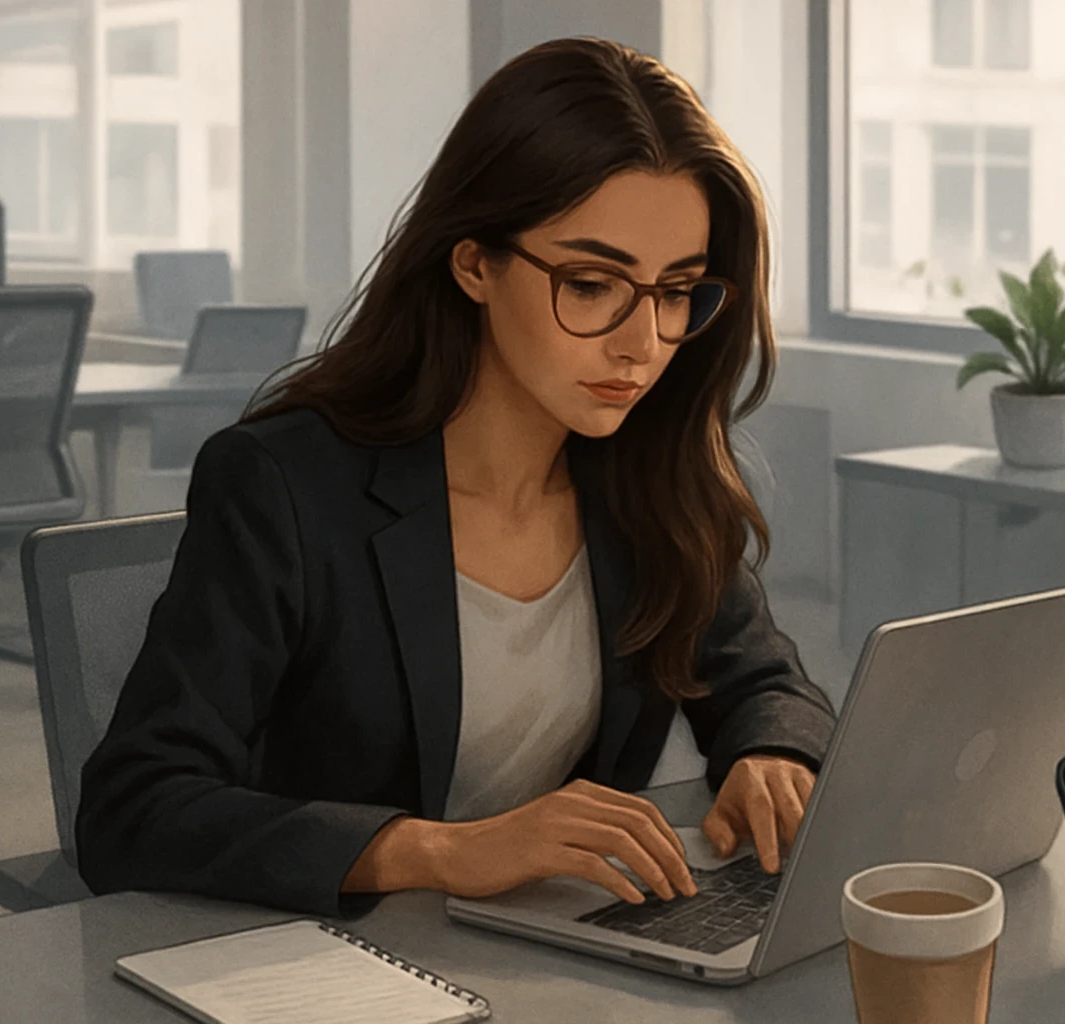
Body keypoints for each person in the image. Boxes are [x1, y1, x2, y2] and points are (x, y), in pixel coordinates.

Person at [75, 36, 836, 920]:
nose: (645, 343)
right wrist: (440, 851)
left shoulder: (648, 479)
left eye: (677, 292)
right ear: (475, 263)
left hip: (552, 956)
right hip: (327, 965)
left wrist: (774, 756)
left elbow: (762, 682)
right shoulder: (284, 486)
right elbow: (131, 809)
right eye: (592, 284)